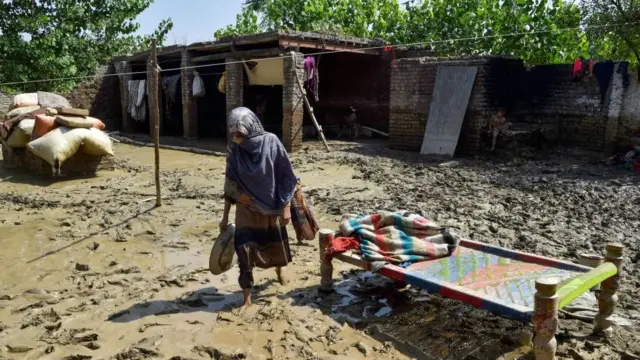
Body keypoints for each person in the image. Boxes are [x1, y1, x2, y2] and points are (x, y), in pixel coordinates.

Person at [219, 107, 298, 309]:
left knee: (275, 244)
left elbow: (286, 177)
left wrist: (286, 207)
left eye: (241, 134)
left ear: (252, 129)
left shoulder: (271, 142)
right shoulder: (234, 150)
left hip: (272, 205)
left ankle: (279, 270)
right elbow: (230, 184)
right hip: (246, 208)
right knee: (243, 251)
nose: (237, 138)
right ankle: (247, 297)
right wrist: (225, 216)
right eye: (234, 134)